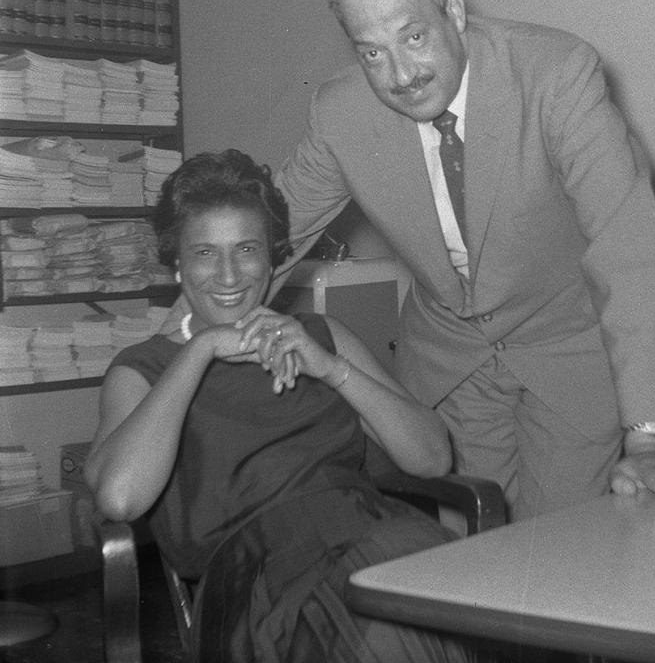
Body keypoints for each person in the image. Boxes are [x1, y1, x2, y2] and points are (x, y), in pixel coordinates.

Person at [274, 0, 655, 521]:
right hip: (449, 366)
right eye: (372, 53)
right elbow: (266, 232)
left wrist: (648, 433)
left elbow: (627, 246)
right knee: (470, 561)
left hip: (566, 355)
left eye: (413, 37)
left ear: (454, 11)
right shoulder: (340, 113)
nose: (401, 74)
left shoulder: (556, 75)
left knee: (564, 556)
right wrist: (182, 336)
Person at [85, 149, 470, 663]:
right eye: (204, 253)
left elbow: (432, 458)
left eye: (247, 249)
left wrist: (330, 369)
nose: (228, 275)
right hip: (256, 582)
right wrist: (201, 350)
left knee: (454, 595)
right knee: (380, 623)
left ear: (272, 260)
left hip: (375, 536)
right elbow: (119, 498)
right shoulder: (146, 367)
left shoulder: (319, 336)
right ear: (177, 265)